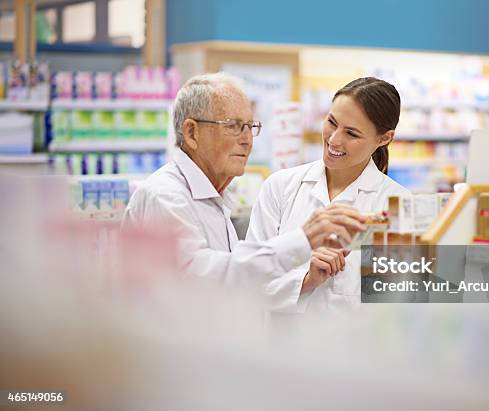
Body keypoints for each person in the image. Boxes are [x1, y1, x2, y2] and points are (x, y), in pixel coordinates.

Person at [122, 73, 366, 300]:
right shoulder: (165, 197)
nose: (247, 139)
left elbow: (243, 282)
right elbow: (207, 280)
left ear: (384, 138)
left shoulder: (395, 200)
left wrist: (306, 280)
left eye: (250, 127)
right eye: (233, 125)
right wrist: (302, 242)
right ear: (192, 133)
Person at [246, 77, 411, 313]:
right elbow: (249, 281)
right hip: (280, 346)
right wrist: (304, 280)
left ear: (384, 138)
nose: (334, 139)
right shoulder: (280, 187)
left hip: (355, 348)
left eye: (352, 134)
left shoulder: (399, 206)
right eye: (332, 122)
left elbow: (399, 307)